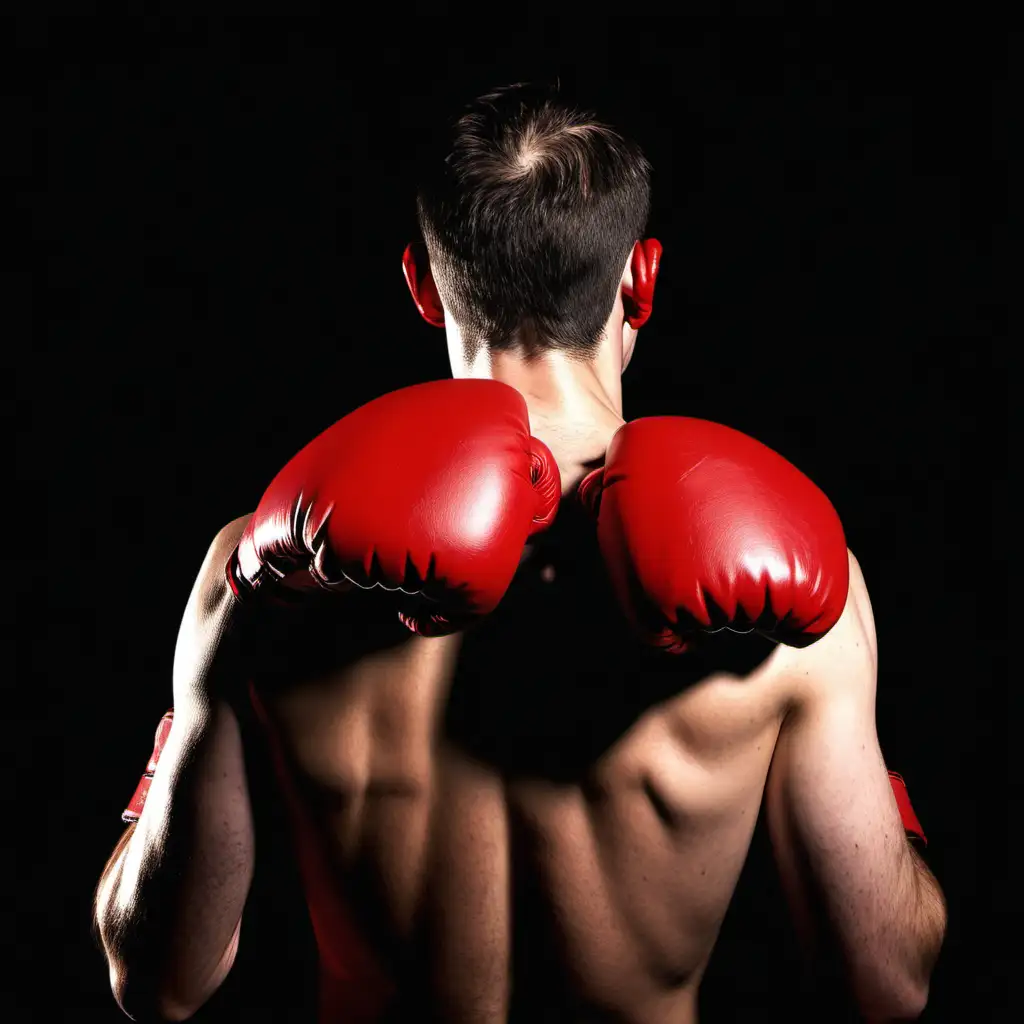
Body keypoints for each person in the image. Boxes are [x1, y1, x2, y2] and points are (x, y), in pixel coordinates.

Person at [93, 82, 946, 1023]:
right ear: (641, 280)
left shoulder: (261, 567)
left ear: (422, 285)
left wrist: (225, 650)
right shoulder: (797, 589)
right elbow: (889, 985)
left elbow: (156, 981)